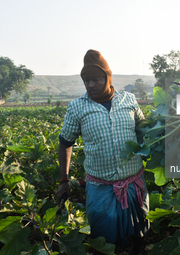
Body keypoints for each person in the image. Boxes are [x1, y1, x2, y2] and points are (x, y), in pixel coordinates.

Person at [57, 49, 149, 254]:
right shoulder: (77, 107)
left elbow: (144, 131)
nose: (90, 85)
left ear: (108, 78)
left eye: (96, 79)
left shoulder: (129, 100)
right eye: (86, 81)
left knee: (139, 237)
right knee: (103, 242)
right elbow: (65, 143)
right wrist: (64, 179)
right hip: (100, 188)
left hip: (133, 185)